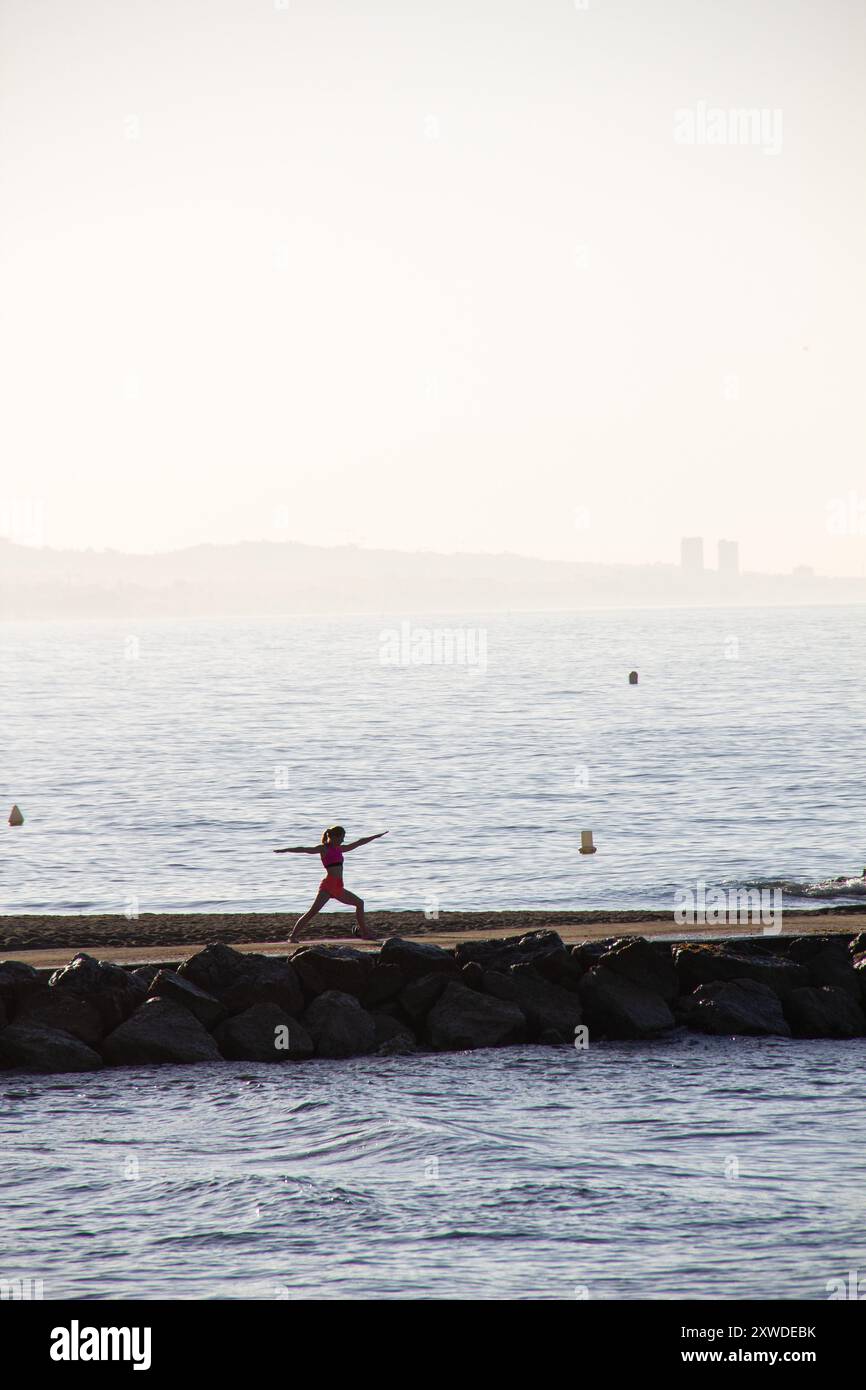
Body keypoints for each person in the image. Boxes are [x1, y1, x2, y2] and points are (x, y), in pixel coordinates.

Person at [274, 826, 388, 942]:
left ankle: (364, 932)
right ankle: (292, 937)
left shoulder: (340, 848)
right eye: (341, 838)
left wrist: (375, 836)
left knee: (358, 903)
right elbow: (304, 849)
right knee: (314, 912)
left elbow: (359, 842)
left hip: (336, 885)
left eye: (343, 838)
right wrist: (285, 850)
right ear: (333, 837)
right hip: (330, 885)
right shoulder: (324, 849)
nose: (343, 840)